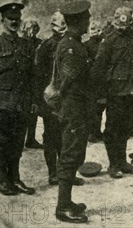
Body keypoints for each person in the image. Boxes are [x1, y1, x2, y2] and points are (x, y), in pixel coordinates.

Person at [0, 3, 36, 196]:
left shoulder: (26, 45)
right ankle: (4, 180)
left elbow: (32, 76)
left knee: (17, 144)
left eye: (17, 19)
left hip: (21, 103)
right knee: (0, 144)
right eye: (10, 19)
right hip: (1, 104)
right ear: (3, 21)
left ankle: (15, 178)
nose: (14, 22)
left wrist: (32, 100)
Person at [91, 7, 133, 178]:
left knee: (126, 127)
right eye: (119, 22)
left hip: (130, 90)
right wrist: (100, 94)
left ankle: (122, 162)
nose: (122, 26)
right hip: (114, 92)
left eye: (126, 22)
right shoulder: (108, 41)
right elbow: (99, 68)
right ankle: (113, 164)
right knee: (113, 129)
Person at [35, 12, 85, 186]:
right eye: (57, 24)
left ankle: (66, 174)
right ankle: (53, 173)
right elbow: (39, 75)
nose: (60, 27)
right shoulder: (46, 46)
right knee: (51, 136)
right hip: (52, 98)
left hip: (66, 99)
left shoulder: (73, 44)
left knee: (67, 138)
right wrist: (41, 100)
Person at [54, 0, 94, 223]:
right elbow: (68, 80)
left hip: (77, 106)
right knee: (70, 155)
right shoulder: (70, 47)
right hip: (73, 107)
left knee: (75, 153)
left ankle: (67, 202)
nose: (88, 21)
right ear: (77, 21)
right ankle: (62, 207)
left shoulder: (75, 43)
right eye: (86, 18)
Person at [20, 18, 43, 149]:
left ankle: (31, 139)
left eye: (34, 28)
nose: (32, 31)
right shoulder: (20, 43)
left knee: (34, 111)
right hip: (24, 81)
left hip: (36, 80)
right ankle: (20, 140)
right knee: (23, 112)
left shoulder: (39, 43)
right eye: (29, 28)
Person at [84, 20, 105, 142]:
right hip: (95, 80)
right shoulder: (90, 45)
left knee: (97, 107)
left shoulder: (88, 45)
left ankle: (94, 131)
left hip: (96, 80)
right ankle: (93, 131)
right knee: (96, 107)